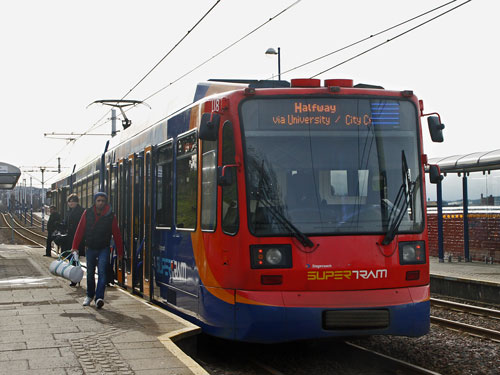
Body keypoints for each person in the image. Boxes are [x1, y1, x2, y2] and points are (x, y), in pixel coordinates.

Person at [71, 192, 123, 309]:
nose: (100, 203)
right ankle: (89, 295)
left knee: (102, 272)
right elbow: (80, 230)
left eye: (103, 201)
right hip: (90, 247)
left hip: (104, 248)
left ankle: (99, 297)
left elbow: (117, 234)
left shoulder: (110, 216)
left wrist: (120, 252)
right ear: (95, 201)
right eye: (98, 200)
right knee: (90, 273)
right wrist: (74, 246)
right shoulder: (87, 213)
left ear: (106, 202)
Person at [63, 194, 85, 286]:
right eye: (69, 201)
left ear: (77, 202)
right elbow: (66, 224)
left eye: (73, 201)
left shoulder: (81, 211)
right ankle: (75, 278)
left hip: (78, 238)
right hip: (70, 238)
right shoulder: (69, 212)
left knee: (75, 258)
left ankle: (75, 279)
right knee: (72, 258)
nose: (71, 203)